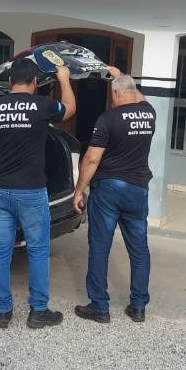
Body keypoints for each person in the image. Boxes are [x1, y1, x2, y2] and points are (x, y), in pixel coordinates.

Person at [0, 57, 76, 330]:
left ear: (9, 81)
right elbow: (70, 109)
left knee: (0, 251)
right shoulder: (42, 106)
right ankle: (38, 311)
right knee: (38, 250)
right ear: (35, 82)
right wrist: (64, 80)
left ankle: (2, 311)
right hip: (30, 192)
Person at [73, 70, 156, 324]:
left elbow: (91, 158)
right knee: (139, 249)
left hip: (109, 190)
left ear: (117, 93)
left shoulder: (108, 118)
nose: (113, 99)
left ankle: (99, 307)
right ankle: (138, 307)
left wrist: (79, 189)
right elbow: (140, 97)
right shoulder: (149, 113)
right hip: (138, 190)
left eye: (114, 95)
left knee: (100, 247)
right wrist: (122, 76)